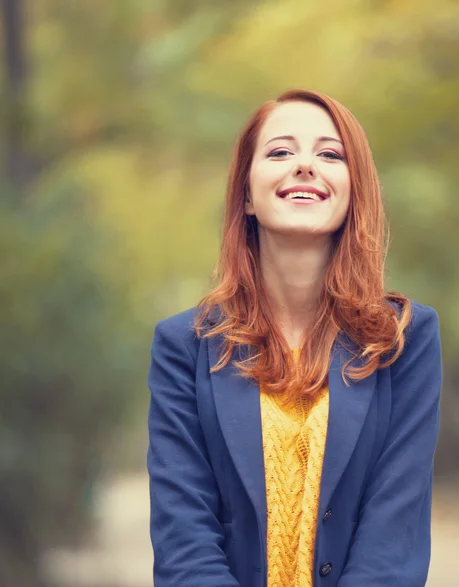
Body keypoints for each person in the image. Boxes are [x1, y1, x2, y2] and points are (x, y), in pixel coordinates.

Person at [147, 89, 442, 587]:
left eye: (330, 154)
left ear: (354, 191)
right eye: (281, 151)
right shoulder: (185, 346)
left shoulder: (403, 340)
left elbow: (392, 541)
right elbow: (184, 541)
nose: (305, 166)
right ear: (245, 193)